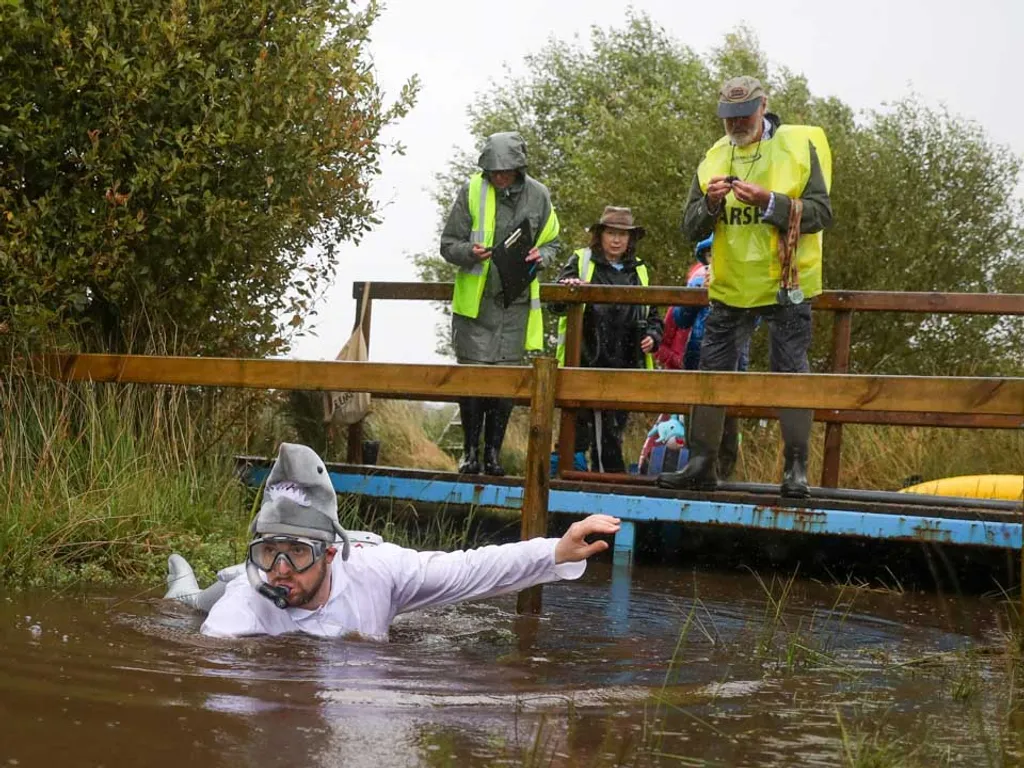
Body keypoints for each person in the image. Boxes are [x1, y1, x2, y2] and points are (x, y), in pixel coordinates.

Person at [191, 443, 620, 640]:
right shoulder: (244, 601)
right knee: (190, 598)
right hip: (228, 585)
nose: (280, 570)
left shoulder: (377, 571)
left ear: (331, 552)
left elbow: (467, 569)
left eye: (298, 552)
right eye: (269, 551)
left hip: (367, 546)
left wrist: (554, 551)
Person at [658, 76, 832, 498]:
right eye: (728, 116)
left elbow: (821, 213)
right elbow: (688, 225)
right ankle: (702, 464)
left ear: (763, 106)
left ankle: (795, 470)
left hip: (785, 283)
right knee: (711, 374)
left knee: (790, 373)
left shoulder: (798, 146)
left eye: (744, 114)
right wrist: (711, 204)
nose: (736, 122)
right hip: (731, 285)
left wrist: (769, 202)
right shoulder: (714, 157)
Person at [440, 132, 560, 476]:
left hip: (516, 304)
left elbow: (552, 241)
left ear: (519, 169)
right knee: (472, 383)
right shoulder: (471, 191)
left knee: (505, 386)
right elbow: (448, 244)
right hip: (476, 308)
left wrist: (544, 255)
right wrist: (469, 252)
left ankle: (493, 454)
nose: (499, 177)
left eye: (505, 171)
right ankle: (470, 453)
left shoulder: (539, 195)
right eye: (493, 171)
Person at [551, 206, 663, 473]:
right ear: (600, 235)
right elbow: (554, 303)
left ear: (630, 239)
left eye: (623, 235)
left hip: (625, 362)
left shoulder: (639, 270)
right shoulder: (581, 261)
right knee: (579, 432)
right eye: (611, 233)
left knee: (612, 433)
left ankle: (607, 491)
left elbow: (655, 315)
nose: (616, 240)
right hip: (586, 358)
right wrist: (569, 287)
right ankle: (581, 490)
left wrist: (653, 337)